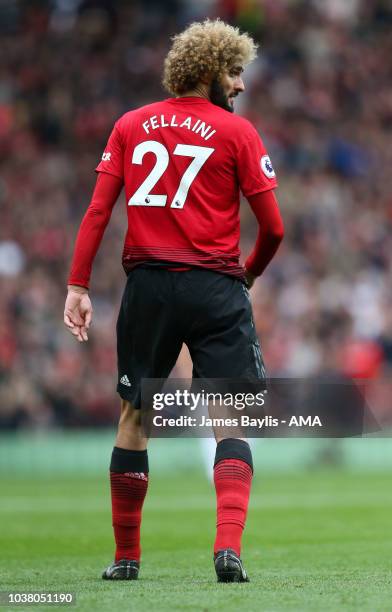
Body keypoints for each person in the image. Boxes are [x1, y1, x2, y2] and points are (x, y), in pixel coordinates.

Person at [64, 18, 284, 583]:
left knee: (135, 417)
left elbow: (97, 213)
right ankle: (228, 549)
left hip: (149, 286)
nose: (238, 85)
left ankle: (126, 559)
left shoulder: (130, 125)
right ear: (209, 70)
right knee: (230, 418)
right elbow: (274, 229)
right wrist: (248, 276)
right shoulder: (238, 133)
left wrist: (78, 284)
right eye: (234, 73)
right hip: (215, 287)